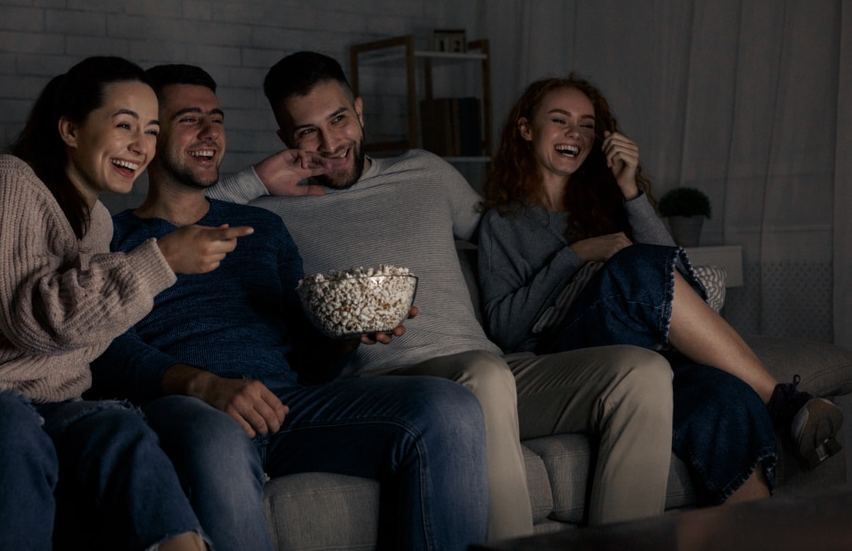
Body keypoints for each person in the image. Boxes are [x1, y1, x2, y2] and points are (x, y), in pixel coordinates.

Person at [210, 51, 677, 537]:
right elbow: (173, 219)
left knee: (641, 372)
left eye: (339, 119)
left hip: (493, 364)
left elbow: (519, 234)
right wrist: (259, 180)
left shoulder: (426, 172)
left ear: (360, 112)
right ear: (286, 139)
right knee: (484, 374)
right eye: (308, 131)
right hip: (392, 383)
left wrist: (629, 199)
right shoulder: (273, 212)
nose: (331, 143)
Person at [90, 63, 489, 551]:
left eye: (216, 118)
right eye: (189, 119)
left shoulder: (264, 229)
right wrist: (204, 385)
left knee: (449, 407)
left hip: (286, 404)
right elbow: (103, 347)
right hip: (190, 407)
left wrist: (343, 333)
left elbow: (309, 360)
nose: (210, 131)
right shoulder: (112, 237)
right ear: (150, 137)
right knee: (215, 442)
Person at [0, 56, 236, 551]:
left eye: (152, 131)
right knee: (9, 422)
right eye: (124, 125)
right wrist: (160, 261)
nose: (141, 146)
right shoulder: (6, 180)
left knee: (118, 426)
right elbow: (31, 321)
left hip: (44, 407)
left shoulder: (98, 224)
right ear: (70, 129)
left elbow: (81, 336)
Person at [478, 74, 844, 505]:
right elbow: (505, 327)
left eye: (587, 125)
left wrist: (630, 190)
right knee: (631, 264)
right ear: (526, 130)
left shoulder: (606, 205)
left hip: (645, 353)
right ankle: (784, 402)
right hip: (568, 351)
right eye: (559, 120)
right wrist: (577, 254)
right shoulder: (502, 223)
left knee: (728, 397)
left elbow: (676, 280)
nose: (574, 133)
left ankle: (752, 534)